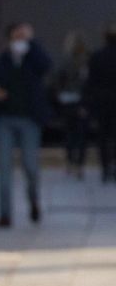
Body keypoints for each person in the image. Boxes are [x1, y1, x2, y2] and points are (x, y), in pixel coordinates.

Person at [0, 22, 53, 227]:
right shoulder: (2, 60)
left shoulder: (33, 59)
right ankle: (5, 214)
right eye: (16, 36)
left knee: (30, 166)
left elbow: (46, 65)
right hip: (6, 119)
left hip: (29, 119)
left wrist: (32, 43)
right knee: (4, 168)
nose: (20, 40)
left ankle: (33, 200)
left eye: (23, 36)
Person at [53, 31, 90, 179]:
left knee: (70, 133)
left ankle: (71, 163)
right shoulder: (83, 62)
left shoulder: (67, 61)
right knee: (79, 134)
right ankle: (78, 164)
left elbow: (57, 80)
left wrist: (60, 94)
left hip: (68, 100)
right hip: (78, 100)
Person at [86, 22, 116, 183]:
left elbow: (91, 81)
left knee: (103, 136)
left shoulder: (97, 56)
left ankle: (105, 168)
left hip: (102, 101)